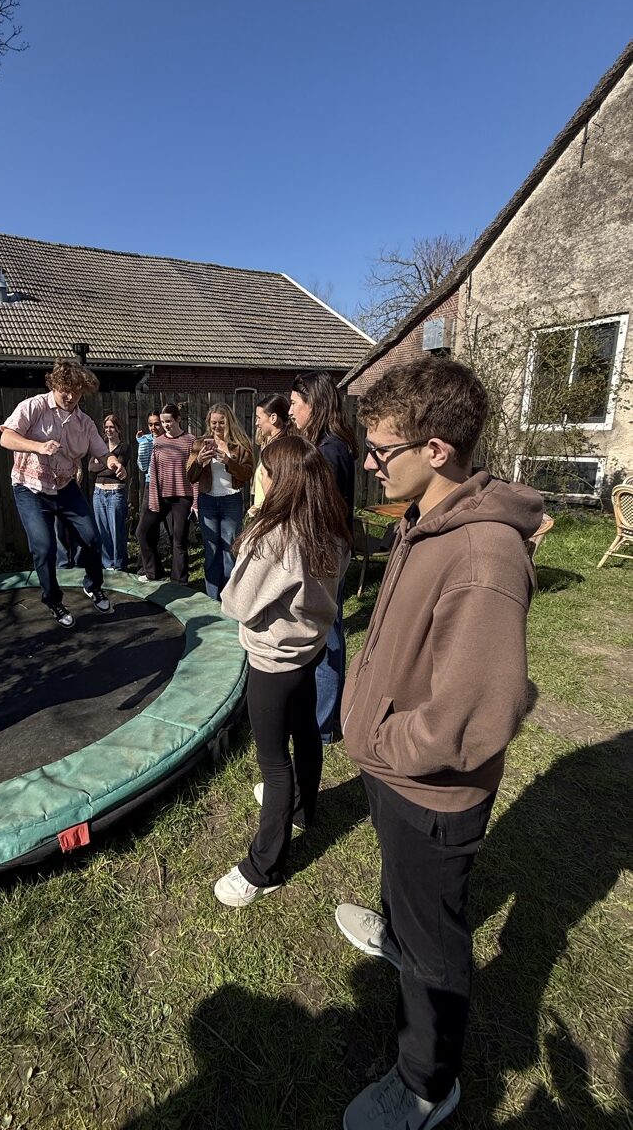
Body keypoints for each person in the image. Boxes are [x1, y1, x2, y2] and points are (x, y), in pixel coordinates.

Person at [335, 357, 544, 1130]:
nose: (369, 463)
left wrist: (385, 737)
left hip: (429, 788)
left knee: (436, 945)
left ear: (437, 450)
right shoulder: (423, 516)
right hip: (394, 771)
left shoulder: (483, 555)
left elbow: (476, 715)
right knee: (410, 907)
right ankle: (396, 933)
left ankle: (428, 1082)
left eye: (380, 449)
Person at [214, 435, 350, 907]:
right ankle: (302, 808)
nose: (259, 477)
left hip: (273, 662)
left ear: (278, 480)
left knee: (274, 763)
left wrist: (254, 528)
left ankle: (264, 867)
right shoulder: (330, 527)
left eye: (264, 471)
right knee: (306, 731)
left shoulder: (274, 537)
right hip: (309, 650)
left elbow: (237, 603)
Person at [0, 359, 127, 629]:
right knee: (44, 547)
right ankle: (53, 600)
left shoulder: (84, 422)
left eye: (76, 392)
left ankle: (93, 586)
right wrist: (37, 446)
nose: (70, 397)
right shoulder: (34, 407)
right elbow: (6, 438)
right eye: (65, 391)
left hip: (65, 487)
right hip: (31, 488)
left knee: (92, 538)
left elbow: (101, 451)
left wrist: (113, 462)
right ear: (54, 385)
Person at [290, 370, 358, 744]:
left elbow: (321, 513)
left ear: (312, 404)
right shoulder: (331, 444)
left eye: (295, 404)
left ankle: (323, 725)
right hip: (330, 549)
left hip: (325, 552)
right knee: (327, 632)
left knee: (327, 637)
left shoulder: (329, 452)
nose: (290, 412)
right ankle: (323, 717)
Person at [186, 404, 254, 600]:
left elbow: (247, 474)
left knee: (229, 550)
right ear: (209, 422)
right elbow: (191, 476)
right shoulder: (200, 444)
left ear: (229, 422)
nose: (217, 427)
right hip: (207, 501)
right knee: (211, 549)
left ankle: (228, 597)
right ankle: (212, 597)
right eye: (213, 423)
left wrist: (228, 461)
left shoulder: (239, 445)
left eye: (221, 423)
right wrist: (199, 461)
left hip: (231, 501)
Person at [136, 403, 196, 584]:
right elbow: (153, 472)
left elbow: (196, 474)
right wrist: (154, 499)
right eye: (163, 422)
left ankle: (179, 581)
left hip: (183, 497)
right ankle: (153, 571)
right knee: (142, 532)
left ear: (178, 419)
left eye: (168, 421)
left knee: (178, 540)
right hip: (161, 496)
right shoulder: (159, 442)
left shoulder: (190, 441)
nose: (165, 425)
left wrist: (195, 502)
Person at [90, 412, 131, 571]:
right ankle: (108, 565)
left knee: (116, 531)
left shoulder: (124, 447)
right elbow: (91, 467)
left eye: (112, 427)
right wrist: (108, 464)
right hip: (98, 493)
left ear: (118, 429)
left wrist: (101, 463)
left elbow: (115, 469)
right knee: (102, 531)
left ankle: (119, 565)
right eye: (106, 427)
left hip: (115, 493)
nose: (109, 430)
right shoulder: (100, 447)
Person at [247, 393, 290, 517]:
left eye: (259, 418)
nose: (256, 423)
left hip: (274, 515)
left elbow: (277, 489)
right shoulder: (270, 446)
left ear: (273, 418)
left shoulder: (280, 450)